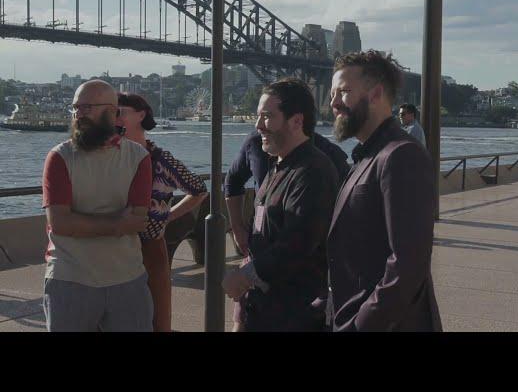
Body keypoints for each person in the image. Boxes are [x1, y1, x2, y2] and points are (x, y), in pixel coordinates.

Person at [326, 50, 442, 332]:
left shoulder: (400, 156)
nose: (334, 103)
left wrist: (361, 325)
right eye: (332, 94)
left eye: (343, 92)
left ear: (376, 94)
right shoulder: (366, 156)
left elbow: (408, 265)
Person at [222, 78, 339, 332]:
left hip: (294, 314)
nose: (258, 126)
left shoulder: (312, 171)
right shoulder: (279, 165)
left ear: (296, 121)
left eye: (267, 117)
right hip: (266, 308)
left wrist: (245, 277)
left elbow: (296, 244)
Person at [41, 80, 153, 332]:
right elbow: (59, 223)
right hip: (70, 279)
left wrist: (81, 223)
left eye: (87, 107)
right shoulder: (59, 157)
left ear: (113, 113)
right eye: (75, 108)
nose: (79, 114)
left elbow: (137, 220)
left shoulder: (139, 157)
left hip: (127, 278)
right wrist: (117, 224)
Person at [116, 92, 208, 332]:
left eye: (121, 112)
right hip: (115, 246)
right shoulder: (110, 156)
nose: (115, 119)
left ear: (141, 115)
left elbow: (199, 189)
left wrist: (167, 216)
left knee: (158, 319)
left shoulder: (160, 160)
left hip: (150, 246)